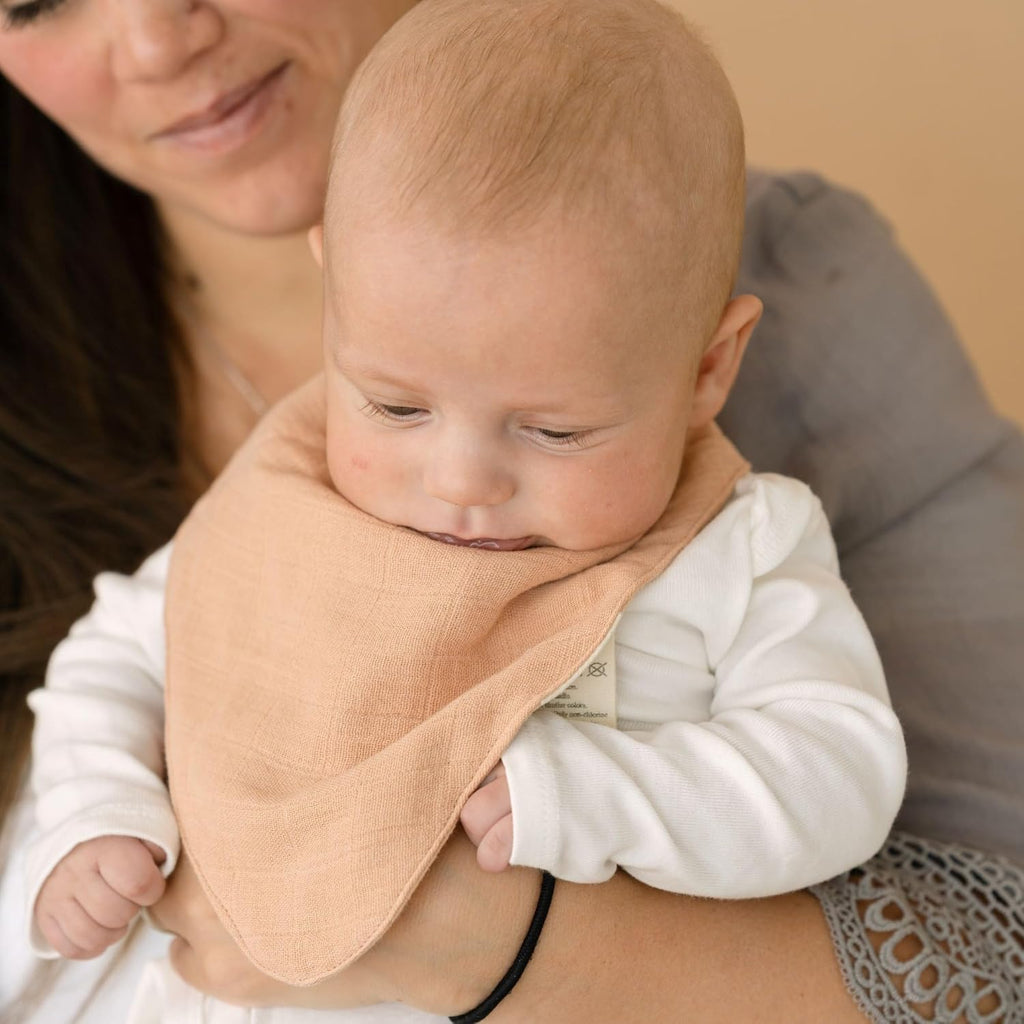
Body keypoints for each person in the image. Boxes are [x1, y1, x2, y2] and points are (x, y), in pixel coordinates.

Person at [0, 0, 1020, 1022]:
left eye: (554, 431)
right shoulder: (295, 496)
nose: (461, 479)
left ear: (710, 366)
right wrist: (96, 811)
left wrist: (579, 802)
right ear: (335, 304)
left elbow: (837, 768)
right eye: (396, 406)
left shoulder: (734, 551)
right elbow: (115, 652)